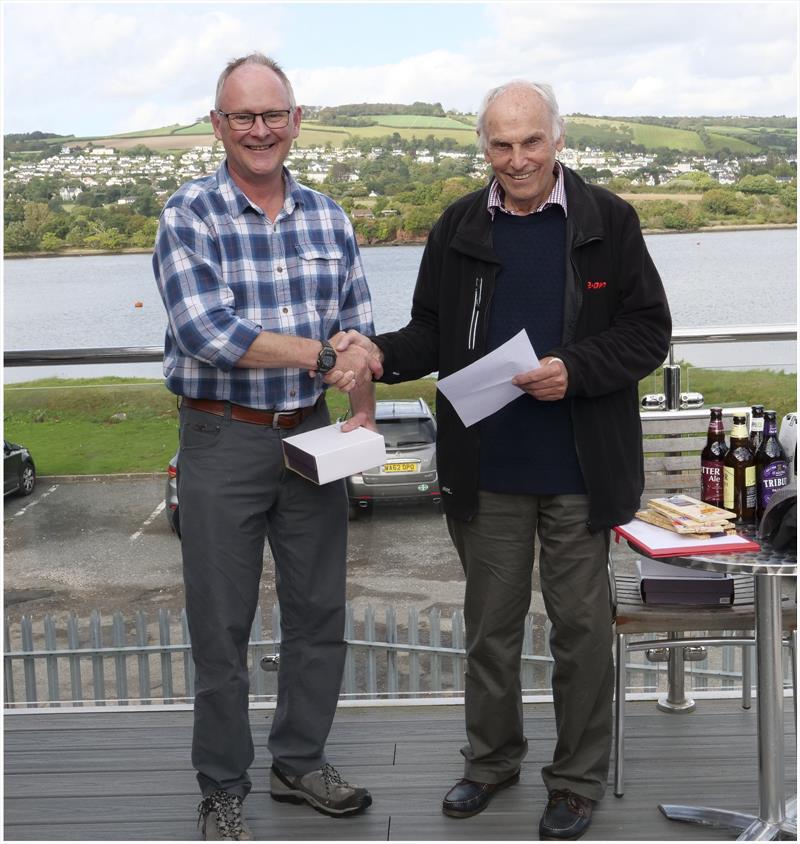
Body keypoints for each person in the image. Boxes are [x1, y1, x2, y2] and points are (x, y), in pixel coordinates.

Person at [339, 79, 672, 840]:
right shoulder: (458, 224)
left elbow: (649, 332)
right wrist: (379, 353)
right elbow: (430, 332)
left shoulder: (609, 221)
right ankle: (490, 763)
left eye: (530, 142)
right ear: (482, 146)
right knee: (490, 628)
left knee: (581, 631)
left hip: (581, 469)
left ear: (558, 139)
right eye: (500, 144)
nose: (516, 159)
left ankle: (576, 780)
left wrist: (575, 370)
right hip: (486, 465)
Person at [153, 53, 377, 840]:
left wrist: (362, 405)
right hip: (221, 436)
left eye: (272, 115)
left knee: (319, 612)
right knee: (222, 628)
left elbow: (359, 325)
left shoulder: (329, 215)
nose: (259, 130)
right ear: (217, 125)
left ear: (296, 120)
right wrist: (321, 354)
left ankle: (299, 763)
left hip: (314, 432)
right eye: (242, 116)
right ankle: (223, 786)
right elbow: (207, 333)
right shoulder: (190, 214)